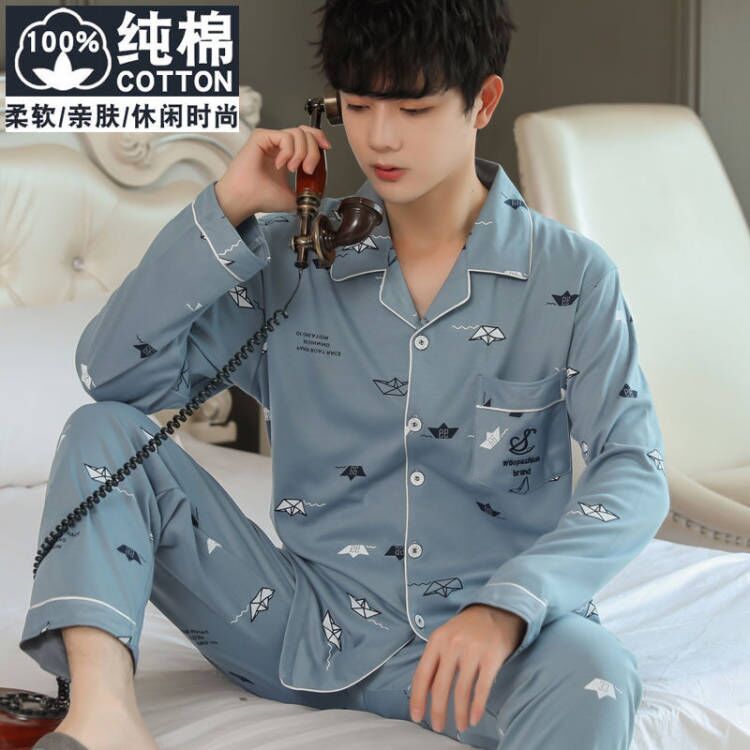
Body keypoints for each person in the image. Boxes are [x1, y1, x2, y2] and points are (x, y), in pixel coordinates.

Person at [21, 1, 669, 749]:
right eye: (358, 106)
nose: (380, 137)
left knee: (596, 675)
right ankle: (103, 717)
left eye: (414, 110)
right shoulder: (292, 259)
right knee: (101, 433)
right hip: (298, 626)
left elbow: (634, 464)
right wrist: (229, 207)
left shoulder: (571, 277)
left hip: (487, 647)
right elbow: (109, 373)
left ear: (483, 102)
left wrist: (510, 605)